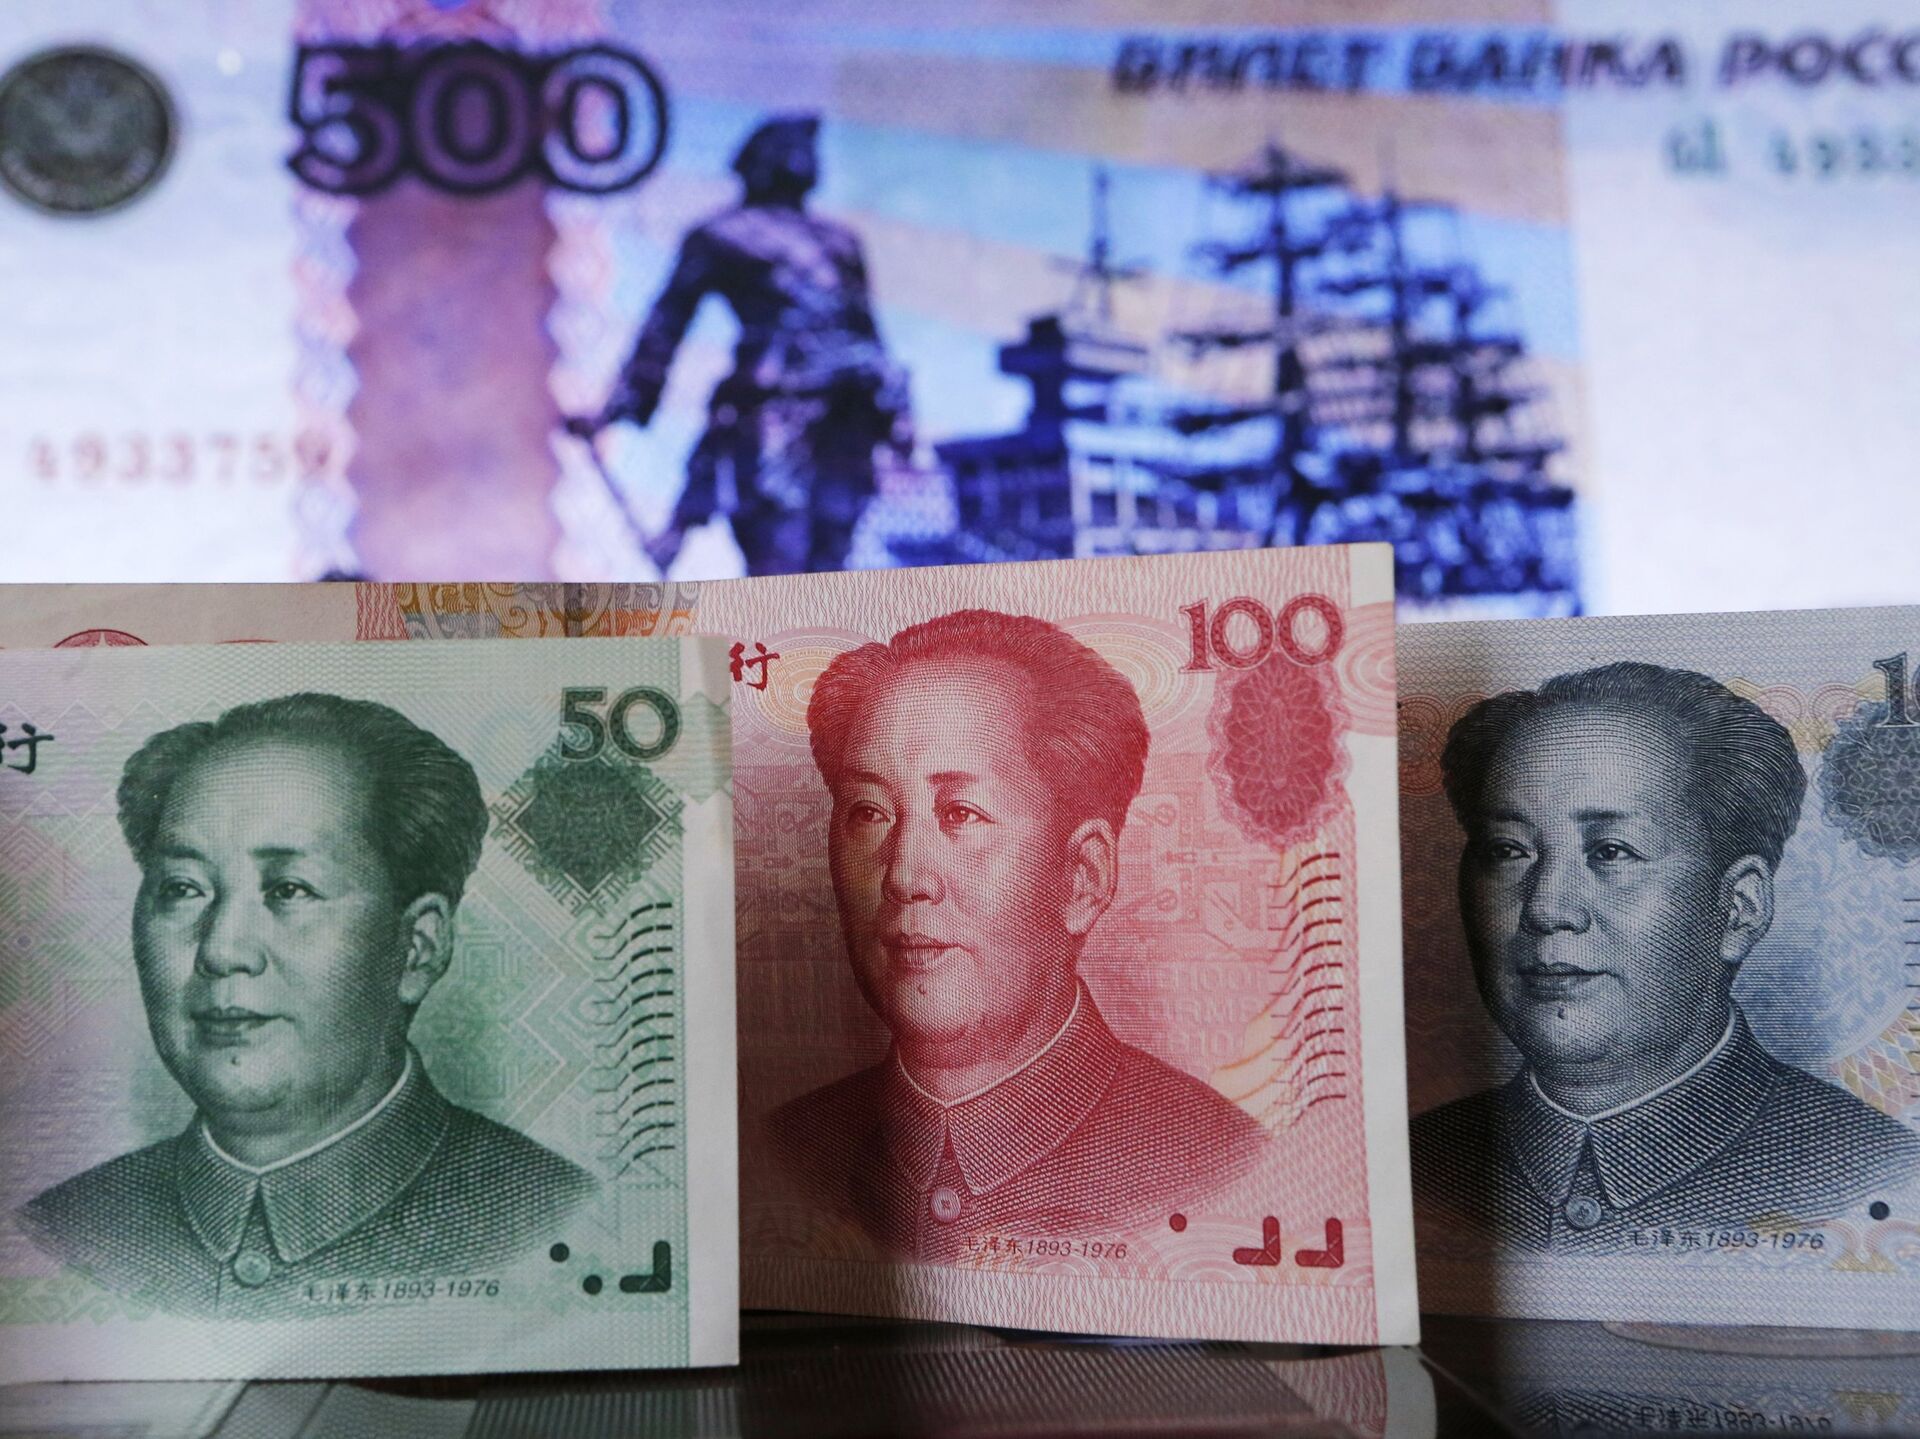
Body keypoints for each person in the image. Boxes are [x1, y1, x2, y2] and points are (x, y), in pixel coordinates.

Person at [18, 694, 595, 1316]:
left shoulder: (551, 1216)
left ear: (417, 949)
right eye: (184, 888)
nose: (221, 950)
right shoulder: (61, 1233)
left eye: (289, 889)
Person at [768, 609, 1267, 1261]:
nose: (905, 875)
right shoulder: (781, 1152)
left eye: (960, 813)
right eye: (869, 811)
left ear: (1083, 878)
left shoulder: (1223, 1164)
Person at [1412, 661, 1920, 1252]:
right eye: (1507, 850)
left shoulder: (1873, 1170)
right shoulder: (1418, 1163)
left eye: (1611, 851)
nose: (1546, 908)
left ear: (1739, 909)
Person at [569, 113, 911, 577]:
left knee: (820, 562)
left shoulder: (829, 242)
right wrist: (617, 409)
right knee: (790, 557)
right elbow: (665, 329)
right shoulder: (732, 236)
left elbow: (863, 332)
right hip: (789, 415)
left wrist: (896, 416)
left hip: (834, 417)